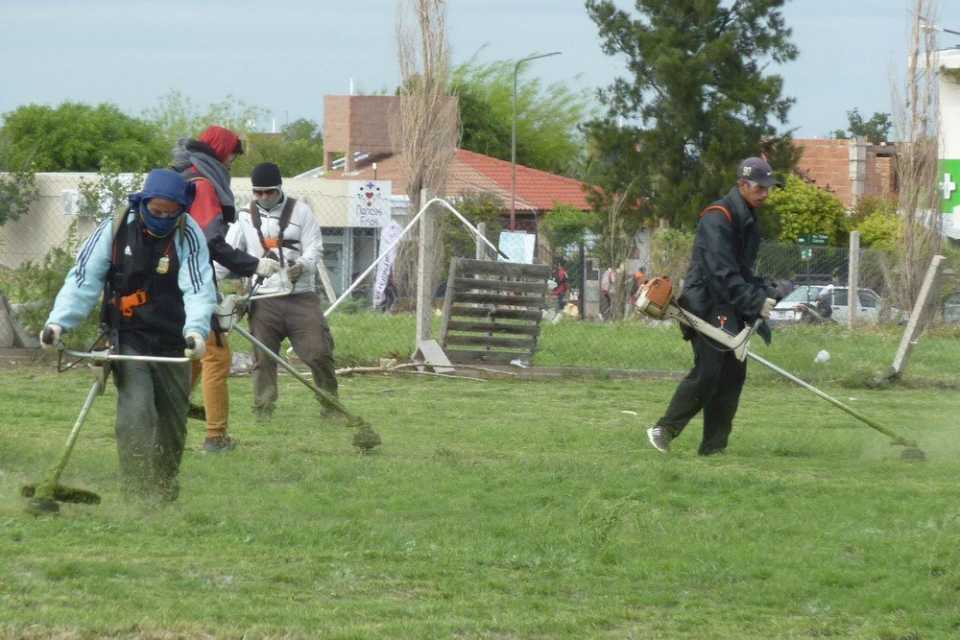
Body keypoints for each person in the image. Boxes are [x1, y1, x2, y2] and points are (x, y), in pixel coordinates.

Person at [40, 169, 217, 501]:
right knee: (136, 413)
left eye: (170, 212)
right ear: (143, 203)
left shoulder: (188, 234)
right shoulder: (116, 228)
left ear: (181, 210)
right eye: (156, 211)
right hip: (129, 335)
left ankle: (163, 491)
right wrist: (58, 324)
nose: (163, 218)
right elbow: (83, 279)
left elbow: (198, 287)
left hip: (174, 338)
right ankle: (136, 495)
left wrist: (195, 331)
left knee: (171, 424)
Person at [646, 157, 780, 456]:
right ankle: (664, 429)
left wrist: (764, 288)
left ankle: (714, 448)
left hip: (728, 304)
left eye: (769, 188)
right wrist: (754, 301)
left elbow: (740, 271)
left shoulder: (747, 217)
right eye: (760, 187)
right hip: (705, 303)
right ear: (742, 184)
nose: (766, 194)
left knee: (732, 376)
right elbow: (720, 272)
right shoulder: (717, 217)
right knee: (709, 372)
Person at [171, 125, 281, 452]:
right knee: (216, 356)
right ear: (220, 151)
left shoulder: (182, 174)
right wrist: (254, 264)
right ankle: (216, 437)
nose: (233, 160)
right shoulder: (203, 184)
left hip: (168, 279)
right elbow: (211, 243)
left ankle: (171, 412)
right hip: (191, 281)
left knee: (191, 355)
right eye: (232, 152)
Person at [222, 162, 338, 422]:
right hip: (264, 300)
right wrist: (209, 281)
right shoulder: (243, 217)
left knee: (318, 351)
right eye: (258, 192)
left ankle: (331, 406)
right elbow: (226, 255)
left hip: (301, 297)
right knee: (262, 358)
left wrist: (302, 266)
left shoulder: (302, 212)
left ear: (279, 189)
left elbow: (315, 248)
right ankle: (263, 410)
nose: (264, 197)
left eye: (269, 192)